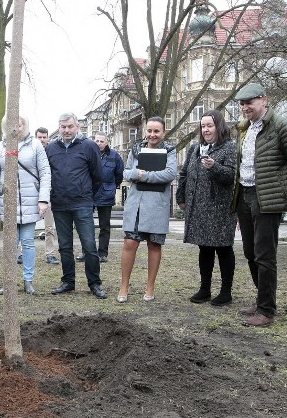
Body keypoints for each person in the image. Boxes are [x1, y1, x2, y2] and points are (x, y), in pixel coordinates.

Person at [232, 82, 287, 327]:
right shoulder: (245, 128)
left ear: (265, 100)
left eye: (250, 102)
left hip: (267, 199)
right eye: (242, 104)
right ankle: (261, 299)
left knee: (265, 255)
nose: (245, 108)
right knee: (250, 252)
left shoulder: (283, 127)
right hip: (245, 195)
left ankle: (266, 310)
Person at [176, 110, 237, 306]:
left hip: (220, 209)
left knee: (223, 249)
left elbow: (231, 176)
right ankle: (205, 289)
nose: (206, 129)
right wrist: (181, 197)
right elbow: (184, 174)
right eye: (203, 126)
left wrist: (214, 167)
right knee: (204, 248)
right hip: (199, 207)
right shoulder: (195, 148)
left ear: (218, 127)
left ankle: (226, 291)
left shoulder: (229, 148)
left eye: (209, 126)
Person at [0, 115, 51, 295]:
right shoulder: (0, 147)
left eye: (20, 124)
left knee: (28, 242)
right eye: (12, 124)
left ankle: (28, 281)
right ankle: (8, 281)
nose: (16, 127)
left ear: (25, 125)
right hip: (8, 202)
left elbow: (45, 173)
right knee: (10, 244)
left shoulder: (35, 145)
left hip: (30, 202)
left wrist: (43, 199)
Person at [117, 116, 177, 303]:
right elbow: (127, 172)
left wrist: (144, 176)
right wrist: (137, 174)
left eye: (156, 131)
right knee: (130, 243)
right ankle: (124, 286)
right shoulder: (135, 149)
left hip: (157, 205)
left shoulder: (170, 150)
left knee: (154, 245)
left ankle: (150, 287)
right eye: (149, 131)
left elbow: (169, 174)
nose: (152, 134)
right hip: (136, 204)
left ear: (163, 132)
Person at [46, 112, 106, 299]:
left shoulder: (88, 146)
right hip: (59, 205)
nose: (66, 130)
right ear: (59, 127)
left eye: (70, 126)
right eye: (63, 127)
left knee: (89, 245)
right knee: (64, 246)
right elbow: (47, 174)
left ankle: (94, 283)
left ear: (77, 127)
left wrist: (85, 194)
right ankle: (68, 282)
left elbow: (98, 176)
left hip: (82, 204)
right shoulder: (51, 148)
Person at [78, 132, 123, 263]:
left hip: (106, 194)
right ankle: (86, 252)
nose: (98, 143)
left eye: (101, 141)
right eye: (96, 141)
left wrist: (111, 186)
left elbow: (119, 174)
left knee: (105, 226)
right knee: (86, 225)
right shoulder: (88, 153)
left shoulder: (115, 156)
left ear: (107, 142)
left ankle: (102, 253)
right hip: (88, 194)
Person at [35, 127, 60, 265]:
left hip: (48, 193)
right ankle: (19, 253)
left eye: (45, 137)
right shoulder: (30, 151)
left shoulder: (53, 152)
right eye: (40, 137)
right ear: (36, 137)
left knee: (49, 226)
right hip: (31, 192)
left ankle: (50, 253)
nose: (42, 139)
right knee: (23, 224)